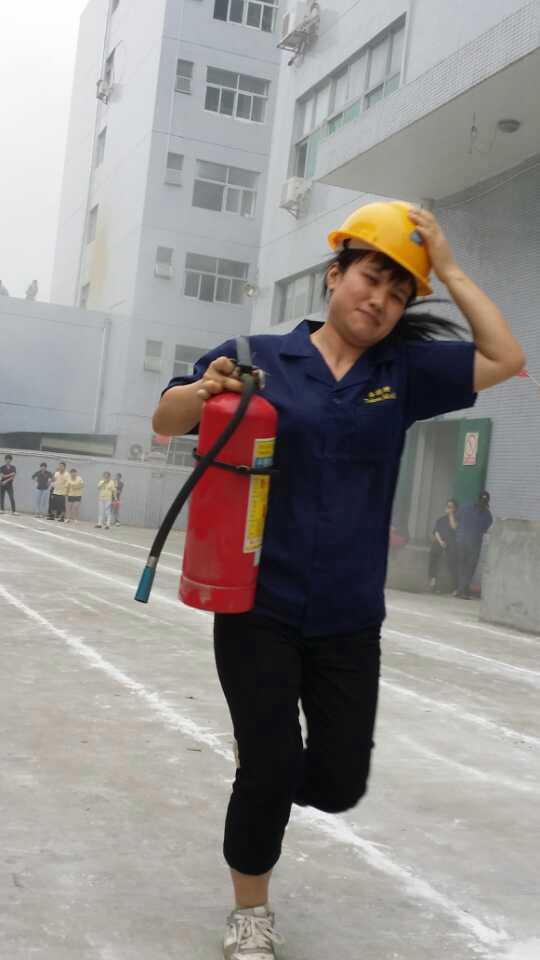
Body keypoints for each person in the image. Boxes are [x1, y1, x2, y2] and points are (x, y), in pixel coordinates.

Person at [152, 200, 525, 960]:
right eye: (370, 278)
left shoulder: (405, 374)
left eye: (398, 292)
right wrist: (206, 390)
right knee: (270, 767)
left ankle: (270, 768)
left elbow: (505, 355)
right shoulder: (256, 356)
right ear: (334, 274)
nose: (379, 299)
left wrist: (449, 268)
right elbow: (167, 420)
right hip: (258, 604)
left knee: (337, 782)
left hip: (350, 613)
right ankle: (250, 911)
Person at [455, 491, 493, 599]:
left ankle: (462, 590)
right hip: (466, 543)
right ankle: (462, 590)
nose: (482, 504)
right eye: (482, 502)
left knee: (467, 568)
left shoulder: (486, 515)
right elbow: (484, 529)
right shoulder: (486, 514)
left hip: (469, 543)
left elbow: (456, 519)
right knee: (466, 567)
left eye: (484, 502)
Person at [428, 499, 458, 593]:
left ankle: (453, 587)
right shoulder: (441, 519)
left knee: (451, 561)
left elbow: (454, 527)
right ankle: (433, 581)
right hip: (440, 542)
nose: (448, 508)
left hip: (452, 544)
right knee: (434, 553)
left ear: (455, 509)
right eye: (448, 506)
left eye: (451, 507)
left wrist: (451, 515)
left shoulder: (456, 519)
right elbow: (436, 531)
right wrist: (440, 541)